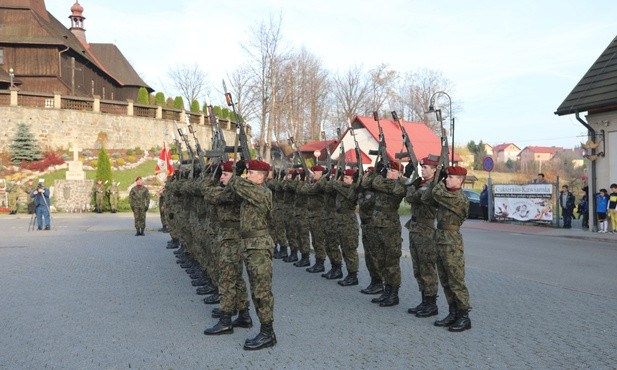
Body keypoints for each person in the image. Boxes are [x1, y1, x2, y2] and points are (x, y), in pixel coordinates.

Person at [226, 159, 276, 351]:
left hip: (259, 247)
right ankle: (266, 331)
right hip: (250, 245)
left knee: (261, 291)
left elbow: (235, 183)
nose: (248, 175)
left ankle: (267, 333)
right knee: (257, 290)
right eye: (247, 172)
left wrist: (235, 171)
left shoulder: (261, 192)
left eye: (251, 173)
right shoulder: (251, 192)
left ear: (261, 177)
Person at [426, 165, 472, 332]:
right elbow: (428, 198)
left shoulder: (459, 198)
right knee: (445, 280)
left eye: (450, 177)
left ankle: (464, 316)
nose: (446, 179)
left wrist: (437, 174)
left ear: (459, 180)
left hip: (451, 241)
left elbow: (436, 193)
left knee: (456, 280)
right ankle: (453, 313)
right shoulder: (447, 194)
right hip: (440, 238)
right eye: (446, 177)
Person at [404, 156, 440, 317]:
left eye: (426, 167)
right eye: (422, 167)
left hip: (426, 229)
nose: (423, 169)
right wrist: (414, 184)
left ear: (434, 170)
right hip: (415, 228)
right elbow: (408, 197)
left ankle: (431, 304)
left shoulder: (434, 186)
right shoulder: (421, 184)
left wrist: (413, 186)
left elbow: (415, 197)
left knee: (427, 267)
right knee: (418, 268)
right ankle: (424, 300)